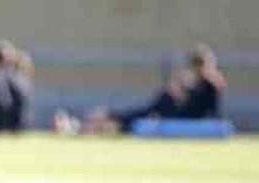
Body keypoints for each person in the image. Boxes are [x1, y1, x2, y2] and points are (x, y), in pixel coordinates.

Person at [82, 42, 226, 134]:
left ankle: (110, 117)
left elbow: (200, 105)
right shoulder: (200, 80)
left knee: (157, 104)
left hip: (189, 117)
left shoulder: (210, 82)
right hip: (183, 113)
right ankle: (110, 118)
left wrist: (180, 89)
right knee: (154, 105)